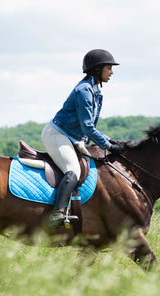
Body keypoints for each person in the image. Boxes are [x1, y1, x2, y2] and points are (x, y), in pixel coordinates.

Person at [41, 49, 123, 230]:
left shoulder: (94, 90)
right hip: (57, 134)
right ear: (97, 69)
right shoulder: (84, 91)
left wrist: (112, 142)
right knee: (73, 170)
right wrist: (108, 144)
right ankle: (57, 213)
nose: (111, 72)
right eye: (109, 68)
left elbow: (89, 129)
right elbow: (87, 126)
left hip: (73, 137)